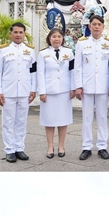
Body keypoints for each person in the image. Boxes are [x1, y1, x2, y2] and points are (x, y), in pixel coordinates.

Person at [0, 21, 36, 163]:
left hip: (24, 91)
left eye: (21, 32)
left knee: (21, 121)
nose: (18, 35)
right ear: (10, 34)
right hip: (8, 92)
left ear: (24, 34)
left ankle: (19, 148)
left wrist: (33, 89)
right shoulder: (3, 50)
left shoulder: (30, 50)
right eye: (16, 32)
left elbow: (33, 71)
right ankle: (9, 150)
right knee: (8, 121)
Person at [73, 15, 109, 160]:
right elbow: (77, 67)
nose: (96, 27)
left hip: (103, 86)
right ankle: (86, 147)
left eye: (99, 24)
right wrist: (78, 86)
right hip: (87, 86)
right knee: (87, 118)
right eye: (94, 24)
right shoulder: (82, 44)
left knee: (102, 117)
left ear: (103, 27)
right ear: (89, 27)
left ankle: (102, 146)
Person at [33, 29, 74, 159]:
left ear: (63, 38)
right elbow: (40, 73)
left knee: (63, 120)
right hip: (49, 92)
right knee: (49, 120)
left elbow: (72, 71)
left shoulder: (69, 52)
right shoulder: (43, 54)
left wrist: (73, 88)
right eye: (54, 37)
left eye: (59, 37)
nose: (57, 39)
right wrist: (42, 92)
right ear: (49, 39)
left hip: (64, 90)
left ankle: (61, 146)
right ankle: (50, 146)